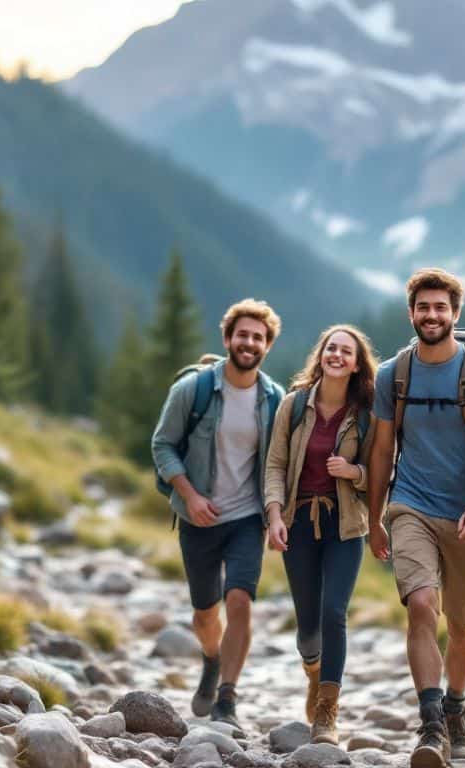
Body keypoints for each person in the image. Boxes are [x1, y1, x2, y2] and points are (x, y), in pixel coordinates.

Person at [366, 268, 465, 768]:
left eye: (440, 307)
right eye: (423, 307)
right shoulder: (393, 375)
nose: (431, 315)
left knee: (463, 625)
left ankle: (455, 709)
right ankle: (430, 727)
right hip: (411, 506)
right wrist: (376, 515)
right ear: (411, 313)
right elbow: (382, 450)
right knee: (422, 604)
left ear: (455, 314)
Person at [150, 299, 286, 728]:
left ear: (267, 345)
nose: (249, 343)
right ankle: (211, 658)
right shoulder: (193, 390)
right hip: (198, 518)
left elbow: (279, 464)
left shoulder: (274, 399)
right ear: (227, 339)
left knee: (240, 600)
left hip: (247, 518)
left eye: (258, 337)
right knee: (206, 614)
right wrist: (189, 495)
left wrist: (276, 514)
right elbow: (162, 445)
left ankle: (228, 696)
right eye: (242, 335)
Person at [262, 324, 378, 744]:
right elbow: (275, 465)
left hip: (344, 526)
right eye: (331, 347)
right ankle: (314, 670)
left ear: (356, 364)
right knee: (308, 625)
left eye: (346, 351)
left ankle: (327, 711)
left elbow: (382, 475)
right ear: (321, 354)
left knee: (334, 613)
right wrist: (274, 514)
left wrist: (354, 472)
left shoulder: (365, 415)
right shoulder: (294, 406)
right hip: (298, 523)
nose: (337, 355)